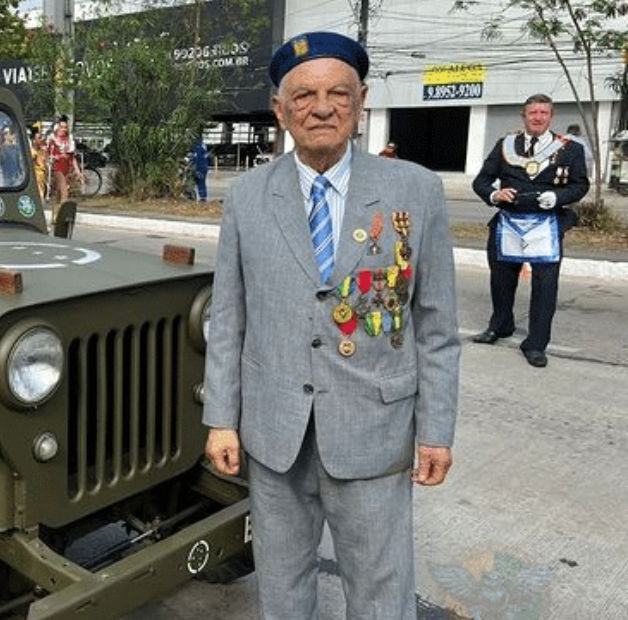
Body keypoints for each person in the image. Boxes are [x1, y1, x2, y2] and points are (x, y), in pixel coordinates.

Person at [203, 31, 460, 620]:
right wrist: (221, 419)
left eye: (338, 93)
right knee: (281, 585)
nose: (322, 108)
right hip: (274, 436)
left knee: (380, 591)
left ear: (362, 100)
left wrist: (437, 430)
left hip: (375, 431)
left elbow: (437, 326)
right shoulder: (246, 197)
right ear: (279, 110)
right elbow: (229, 317)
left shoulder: (415, 192)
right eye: (305, 96)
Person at [471, 95, 589, 367]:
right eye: (533, 112)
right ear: (523, 115)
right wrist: (494, 194)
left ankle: (536, 343)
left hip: (546, 224)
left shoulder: (569, 149)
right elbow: (482, 180)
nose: (538, 117)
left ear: (551, 116)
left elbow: (580, 185)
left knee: (545, 287)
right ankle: (501, 325)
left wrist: (557, 198)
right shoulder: (505, 145)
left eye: (543, 112)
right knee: (501, 281)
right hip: (508, 223)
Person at [46, 115, 76, 204]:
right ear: (57, 128)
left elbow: (72, 158)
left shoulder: (69, 140)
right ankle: (63, 212)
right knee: (64, 192)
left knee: (59, 192)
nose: (63, 129)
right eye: (61, 127)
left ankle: (56, 212)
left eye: (65, 127)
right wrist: (56, 157)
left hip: (67, 168)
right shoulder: (53, 140)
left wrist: (78, 172)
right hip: (57, 167)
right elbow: (46, 154)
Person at [0, 120, 22, 186]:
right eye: (11, 133)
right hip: (5, 177)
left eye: (13, 133)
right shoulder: (2, 148)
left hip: (16, 177)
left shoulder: (17, 147)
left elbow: (18, 162)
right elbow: (1, 161)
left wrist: (20, 173)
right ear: (5, 135)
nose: (13, 135)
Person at [28, 123, 48, 200]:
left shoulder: (42, 150)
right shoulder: (32, 152)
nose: (41, 139)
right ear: (33, 140)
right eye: (39, 138)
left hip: (42, 178)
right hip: (36, 178)